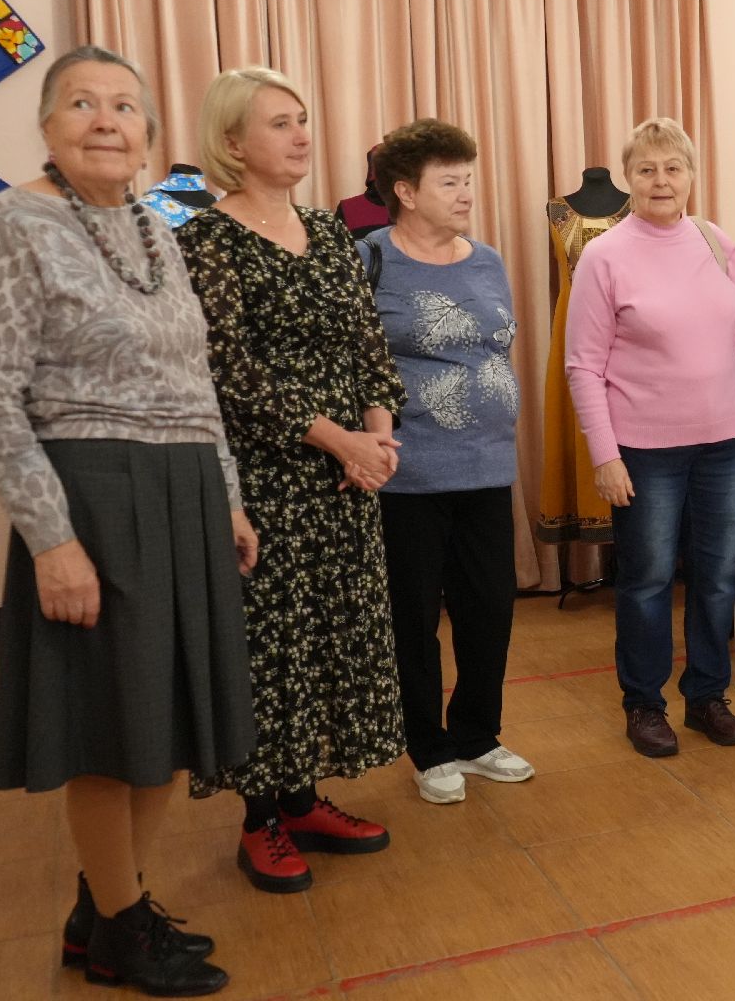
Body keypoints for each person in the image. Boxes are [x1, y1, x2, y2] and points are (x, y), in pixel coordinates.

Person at [0, 44, 250, 995]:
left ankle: (107, 909)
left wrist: (227, 495)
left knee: (162, 721)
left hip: (183, 493)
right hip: (92, 496)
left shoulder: (155, 227)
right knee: (109, 726)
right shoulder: (10, 222)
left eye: (125, 106)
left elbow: (195, 378)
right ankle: (123, 927)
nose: (106, 120)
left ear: (149, 134)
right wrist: (52, 539)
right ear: (47, 125)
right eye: (81, 103)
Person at [177, 67, 407, 892]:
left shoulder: (326, 228)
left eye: (303, 118)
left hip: (347, 479)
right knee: (271, 648)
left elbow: (368, 341)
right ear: (232, 142)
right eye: (279, 122)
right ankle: (260, 818)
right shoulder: (207, 239)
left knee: (332, 639)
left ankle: (304, 799)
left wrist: (378, 436)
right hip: (267, 477)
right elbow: (228, 370)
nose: (301, 134)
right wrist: (339, 442)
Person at [564, 117, 735, 758]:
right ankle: (644, 704)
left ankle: (708, 695)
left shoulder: (715, 242)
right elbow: (583, 366)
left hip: (725, 443)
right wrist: (606, 455)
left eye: (673, 168)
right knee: (649, 580)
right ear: (629, 179)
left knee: (716, 576)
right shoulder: (604, 255)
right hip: (645, 450)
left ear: (691, 175)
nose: (662, 181)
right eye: (648, 169)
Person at [361, 118, 533, 804]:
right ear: (405, 191)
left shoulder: (486, 259)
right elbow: (356, 361)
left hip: (487, 466)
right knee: (414, 619)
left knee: (489, 609)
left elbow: (495, 347)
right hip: (409, 475)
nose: (466, 193)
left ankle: (478, 735)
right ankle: (428, 747)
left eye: (468, 179)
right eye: (449, 182)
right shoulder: (370, 258)